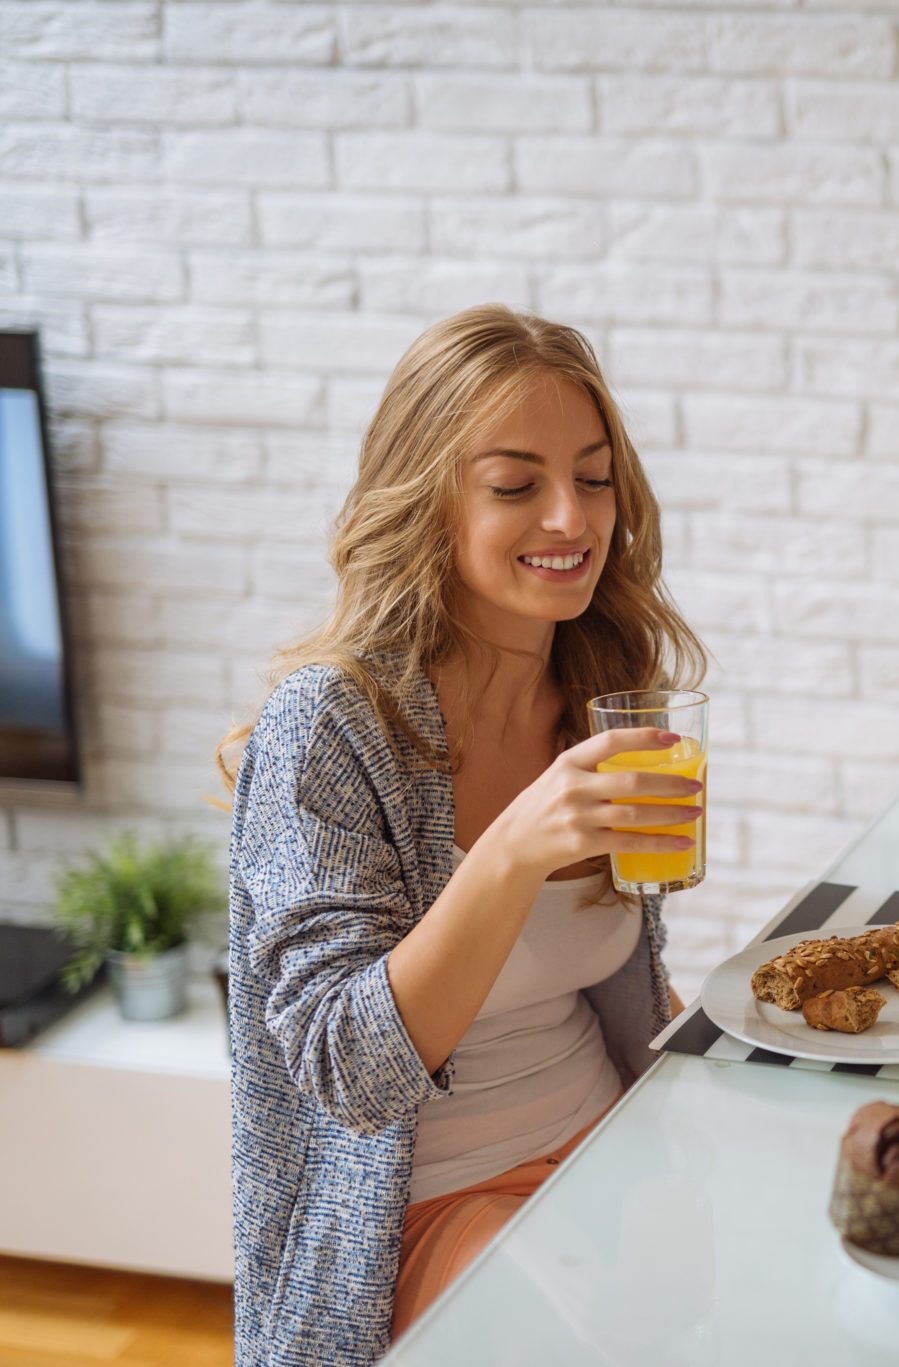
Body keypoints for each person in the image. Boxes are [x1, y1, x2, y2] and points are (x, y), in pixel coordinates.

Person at [220, 306, 706, 1367]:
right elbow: (346, 1067)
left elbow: (610, 985)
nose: (571, 516)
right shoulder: (333, 724)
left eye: (592, 475)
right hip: (427, 1209)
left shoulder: (596, 693)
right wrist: (511, 848)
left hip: (606, 1153)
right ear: (427, 501)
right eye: (514, 483)